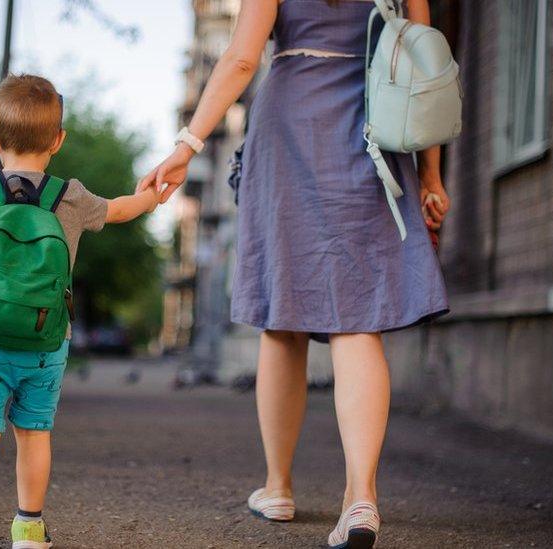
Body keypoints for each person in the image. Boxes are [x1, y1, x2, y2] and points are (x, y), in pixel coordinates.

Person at [138, 1, 450, 547]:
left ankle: (278, 488)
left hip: (289, 126)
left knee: (282, 314)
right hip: (373, 128)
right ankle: (360, 501)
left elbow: (240, 59)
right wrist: (430, 174)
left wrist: (187, 145)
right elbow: (424, 63)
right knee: (358, 319)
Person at [0, 74, 158, 549]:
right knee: (33, 433)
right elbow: (122, 209)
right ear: (58, 141)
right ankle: (29, 529)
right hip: (45, 343)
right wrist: (152, 195)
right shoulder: (70, 197)